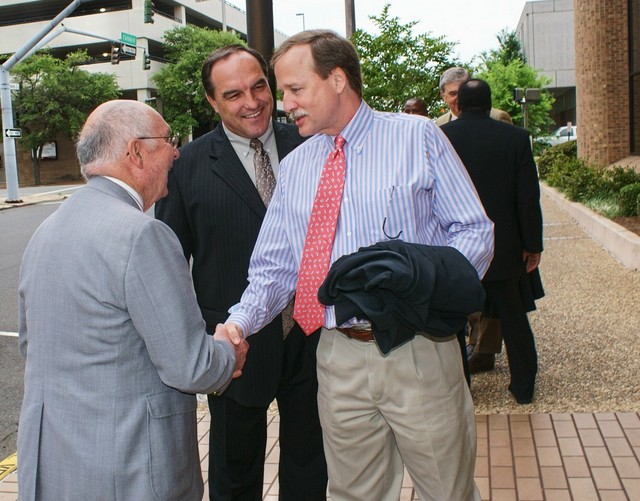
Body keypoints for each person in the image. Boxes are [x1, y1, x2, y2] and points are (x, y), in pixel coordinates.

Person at [222, 30, 495, 501]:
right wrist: (239, 323)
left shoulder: (417, 137)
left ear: (338, 79)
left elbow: (474, 231)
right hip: (337, 354)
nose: (285, 104)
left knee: (446, 491)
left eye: (295, 89)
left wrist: (424, 292)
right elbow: (275, 267)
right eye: (283, 91)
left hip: (418, 349)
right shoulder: (298, 166)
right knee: (353, 494)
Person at [17, 99, 248, 500]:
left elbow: (31, 344)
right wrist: (227, 351)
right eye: (167, 140)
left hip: (57, 464)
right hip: (129, 468)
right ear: (136, 152)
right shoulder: (143, 235)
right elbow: (190, 366)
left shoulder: (47, 229)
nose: (176, 152)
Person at [154, 45, 327, 501]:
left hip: (314, 336)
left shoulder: (313, 145)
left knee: (312, 462)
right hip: (235, 348)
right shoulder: (187, 166)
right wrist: (197, 342)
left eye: (259, 86)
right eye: (233, 94)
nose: (251, 102)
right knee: (235, 472)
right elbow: (169, 264)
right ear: (212, 101)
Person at [441, 79, 543, 404]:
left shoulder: (443, 137)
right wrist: (533, 244)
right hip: (504, 245)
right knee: (514, 319)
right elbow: (528, 197)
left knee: (453, 321)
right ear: (489, 103)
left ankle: (459, 389)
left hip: (457, 247)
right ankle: (523, 386)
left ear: (457, 104)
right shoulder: (516, 138)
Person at [435, 67, 512, 125]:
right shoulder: (440, 123)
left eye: (463, 92)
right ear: (443, 96)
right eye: (453, 94)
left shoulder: (497, 117)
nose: (459, 97)